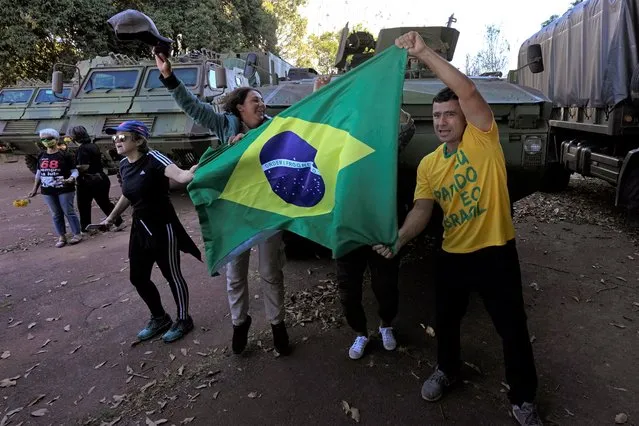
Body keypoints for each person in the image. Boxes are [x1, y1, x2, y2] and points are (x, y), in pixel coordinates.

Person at [373, 32, 542, 426]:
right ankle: (448, 370)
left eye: (450, 114)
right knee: (446, 322)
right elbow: (422, 209)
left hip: (496, 251)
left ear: (465, 117)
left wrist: (424, 53)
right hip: (452, 254)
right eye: (436, 117)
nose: (442, 122)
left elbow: (465, 88)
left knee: (512, 329)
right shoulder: (430, 165)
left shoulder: (484, 139)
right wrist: (399, 238)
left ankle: (523, 398)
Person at [154, 50, 290, 355]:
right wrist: (168, 76)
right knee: (235, 275)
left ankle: (278, 326)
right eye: (255, 100)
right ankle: (240, 323)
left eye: (261, 101)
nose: (261, 104)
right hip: (233, 213)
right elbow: (192, 106)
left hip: (267, 211)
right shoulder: (225, 126)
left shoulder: (274, 127)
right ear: (240, 108)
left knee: (271, 272)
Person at [313, 74, 416, 360]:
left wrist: (389, 97)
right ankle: (360, 333)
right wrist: (320, 93)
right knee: (349, 291)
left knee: (386, 286)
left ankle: (385, 326)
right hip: (347, 230)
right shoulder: (332, 149)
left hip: (380, 230)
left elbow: (409, 126)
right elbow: (313, 131)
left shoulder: (384, 146)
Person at [100, 120, 200, 343]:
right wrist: (111, 217)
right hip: (140, 227)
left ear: (138, 139)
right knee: (138, 277)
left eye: (122, 137)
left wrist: (190, 173)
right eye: (114, 137)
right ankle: (159, 317)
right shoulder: (125, 164)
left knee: (172, 276)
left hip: (163, 226)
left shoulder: (154, 158)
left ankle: (184, 319)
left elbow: (180, 176)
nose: (116, 140)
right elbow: (128, 193)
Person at [27, 128, 83, 248]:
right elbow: (39, 173)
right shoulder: (41, 155)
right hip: (47, 190)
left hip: (65, 188)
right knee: (55, 214)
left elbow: (74, 171)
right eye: (43, 139)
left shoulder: (65, 155)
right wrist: (34, 189)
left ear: (56, 139)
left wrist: (71, 179)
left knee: (68, 211)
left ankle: (77, 234)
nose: (46, 141)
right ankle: (61, 236)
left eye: (49, 138)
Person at [70, 126, 125, 233]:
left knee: (83, 205)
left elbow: (84, 166)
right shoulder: (93, 146)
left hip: (88, 180)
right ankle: (119, 222)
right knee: (104, 202)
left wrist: (71, 169)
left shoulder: (82, 149)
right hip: (101, 178)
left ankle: (85, 228)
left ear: (75, 137)